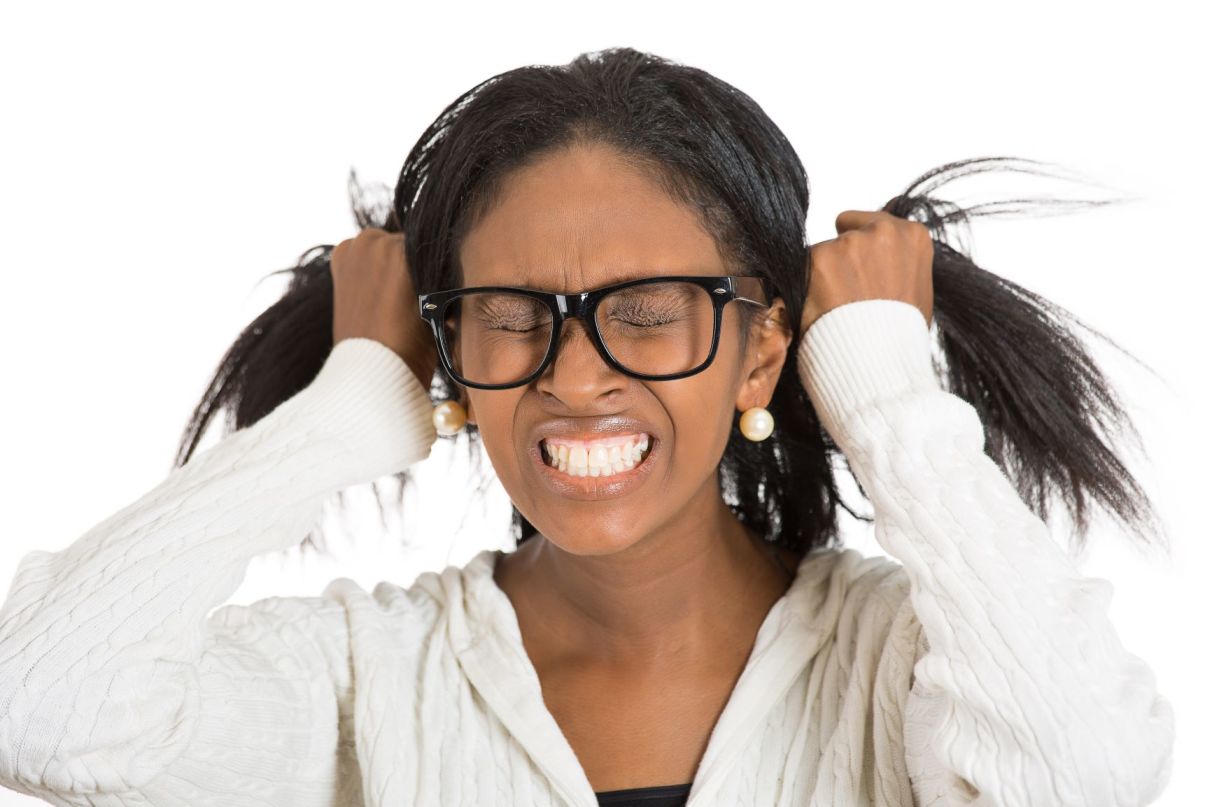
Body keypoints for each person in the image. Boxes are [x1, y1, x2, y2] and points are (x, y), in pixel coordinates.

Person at [0, 46, 1175, 807]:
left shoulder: (902, 667)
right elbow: (41, 709)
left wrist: (890, 398)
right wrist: (352, 408)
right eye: (511, 318)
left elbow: (1080, 772)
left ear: (763, 346)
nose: (572, 377)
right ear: (450, 349)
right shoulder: (369, 680)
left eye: (648, 315)